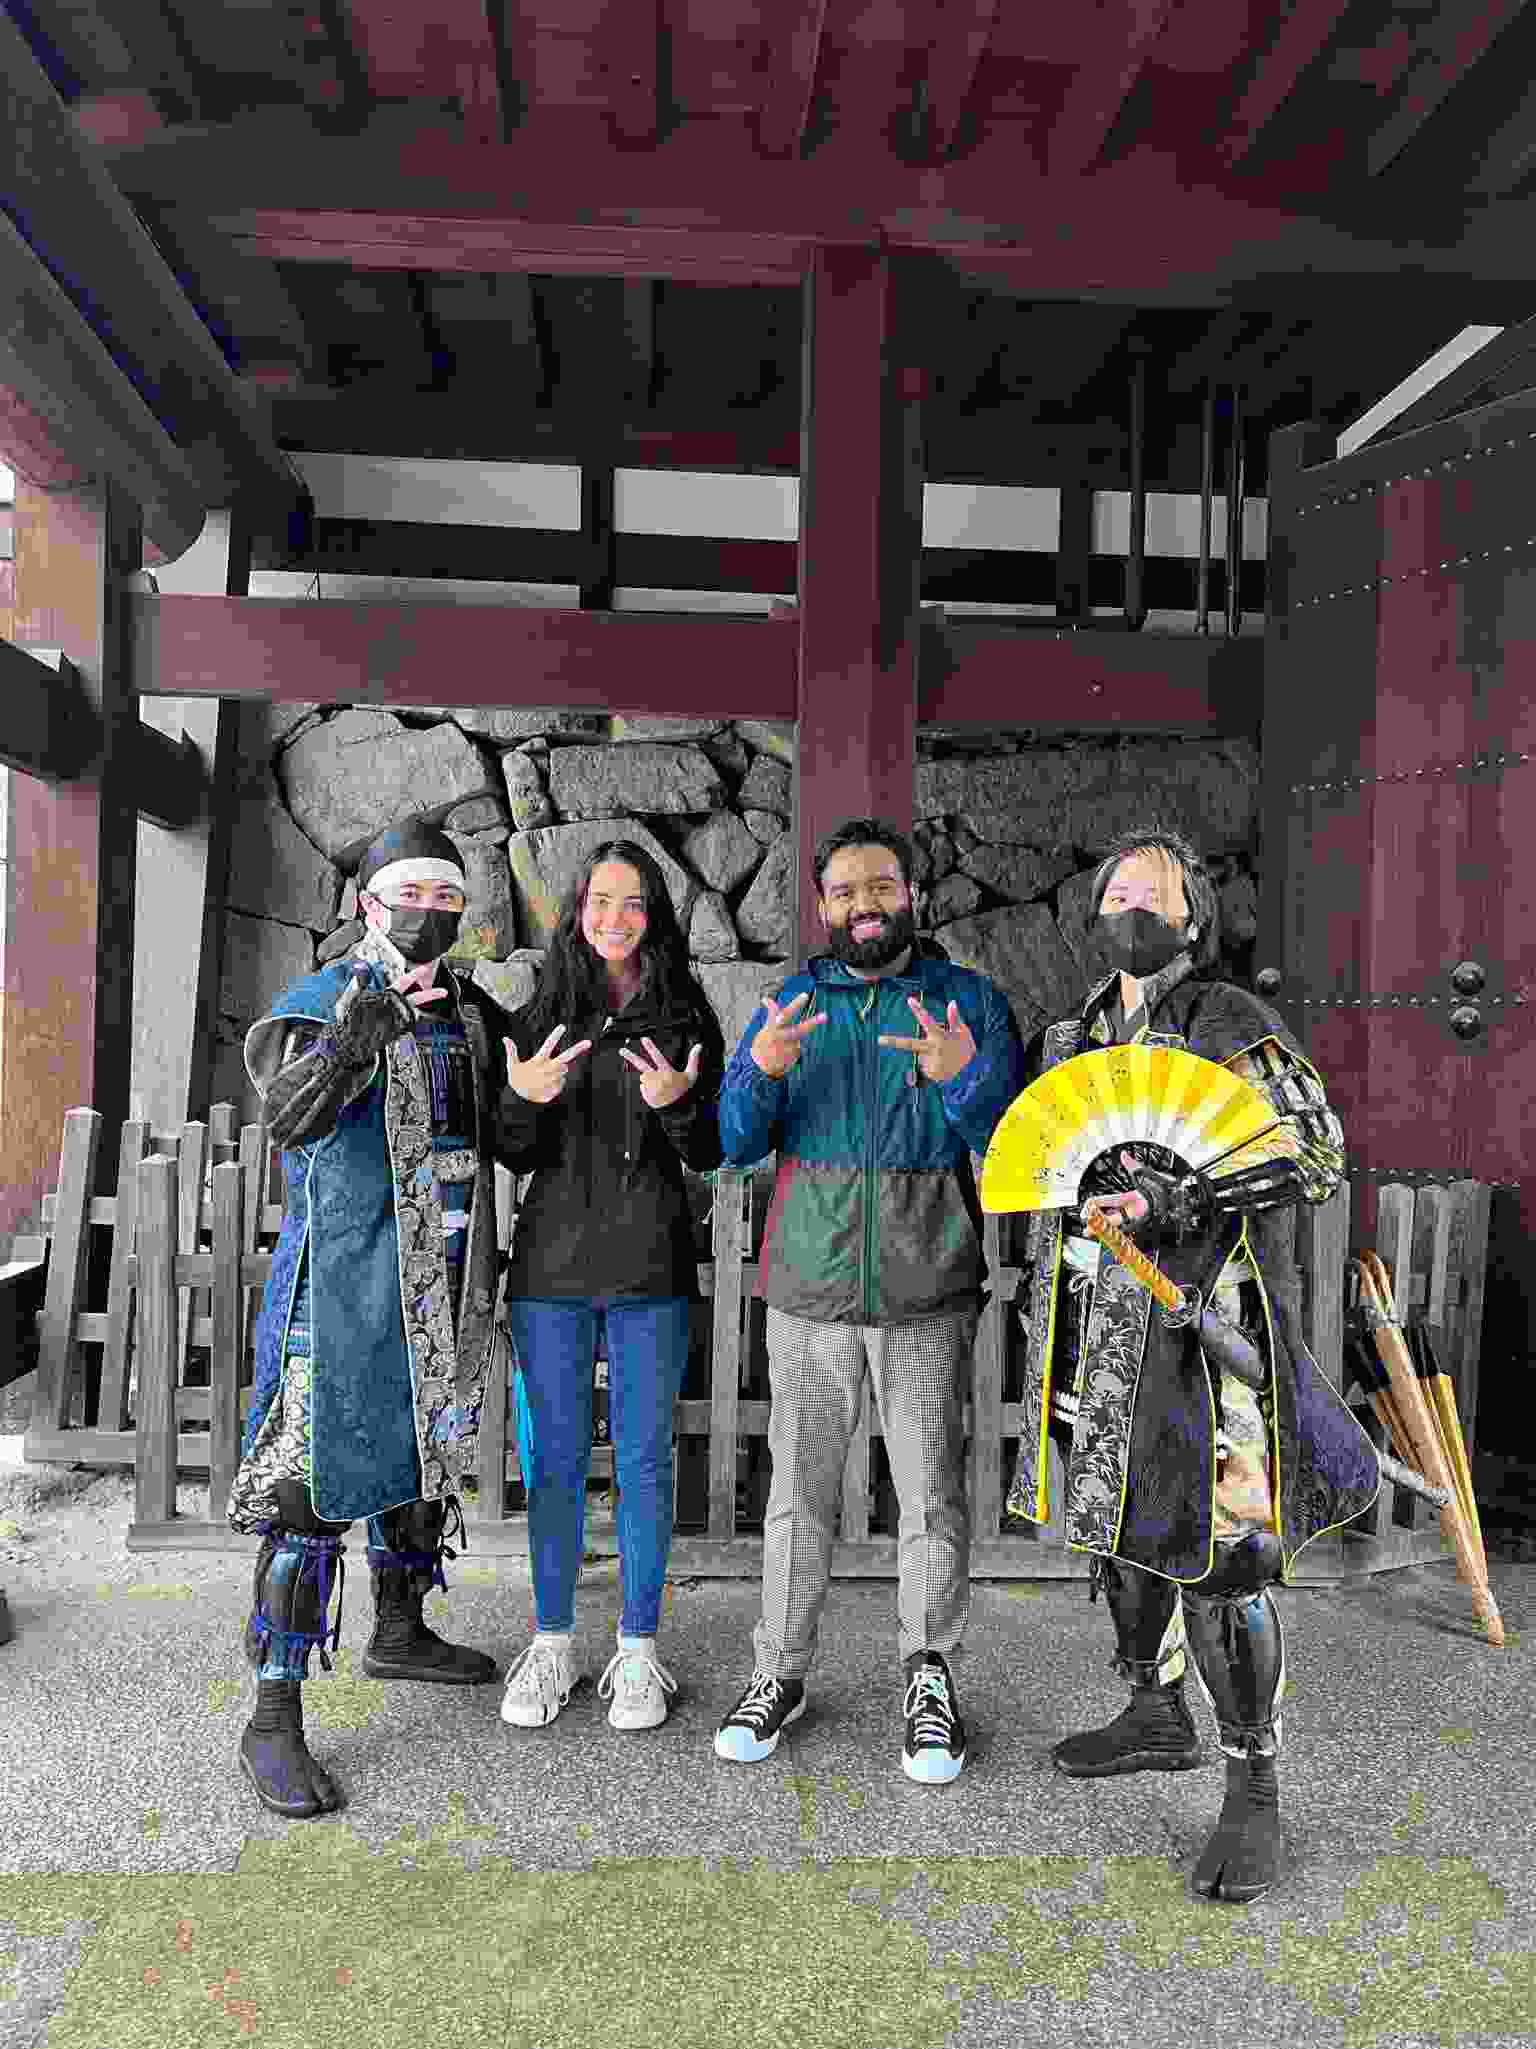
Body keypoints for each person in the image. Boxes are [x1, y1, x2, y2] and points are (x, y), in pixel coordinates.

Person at [1004, 823, 1379, 1903]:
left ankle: (1255, 1784)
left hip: (1204, 1326)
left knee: (1224, 1556)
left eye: (1153, 892)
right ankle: (1153, 1708)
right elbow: (1051, 1161)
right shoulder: (1072, 1034)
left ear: (1192, 916)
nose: (1131, 906)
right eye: (1115, 890)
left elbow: (1312, 1151)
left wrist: (1178, 1195)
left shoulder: (1231, 1022)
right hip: (1093, 1321)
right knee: (1122, 1531)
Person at [711, 817, 1026, 1783]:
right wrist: (761, 1071)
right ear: (821, 904)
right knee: (797, 1496)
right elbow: (733, 1139)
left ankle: (930, 1671)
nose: (865, 904)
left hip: (927, 1284)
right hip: (808, 1288)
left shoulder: (968, 1000)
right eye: (845, 890)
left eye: (881, 885)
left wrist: (963, 1077)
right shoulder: (790, 1002)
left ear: (911, 893)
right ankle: (779, 1670)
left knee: (931, 1496)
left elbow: (1010, 1142)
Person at [228, 818, 524, 1819]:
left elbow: (513, 1108)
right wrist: (352, 1047)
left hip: (440, 1284)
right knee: (308, 1494)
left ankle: (399, 1630)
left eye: (447, 898)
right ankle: (272, 1716)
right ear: (368, 904)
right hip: (343, 1282)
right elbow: (288, 1118)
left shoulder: (469, 1011)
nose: (429, 914)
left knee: (419, 1459)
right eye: (411, 895)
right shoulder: (322, 1000)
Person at [496, 841, 725, 1735]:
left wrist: (677, 1105)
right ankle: (553, 1641)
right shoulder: (543, 1010)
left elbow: (711, 1148)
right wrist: (522, 1097)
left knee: (642, 1459)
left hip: (650, 1263)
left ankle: (638, 1648)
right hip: (550, 1265)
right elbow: (513, 1149)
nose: (614, 919)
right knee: (553, 1458)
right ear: (577, 910)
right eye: (600, 900)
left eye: (633, 903)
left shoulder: (685, 1014)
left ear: (654, 914)